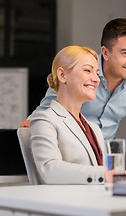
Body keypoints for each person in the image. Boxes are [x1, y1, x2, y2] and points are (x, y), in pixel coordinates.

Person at [22, 18, 126, 157]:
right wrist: (28, 131)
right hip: (69, 156)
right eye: (125, 53)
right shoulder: (76, 72)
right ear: (105, 53)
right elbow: (45, 111)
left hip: (103, 158)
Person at [29, 46, 105, 184]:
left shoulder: (94, 128)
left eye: (97, 73)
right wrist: (107, 174)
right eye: (88, 70)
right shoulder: (45, 120)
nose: (96, 79)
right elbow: (49, 170)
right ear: (62, 75)